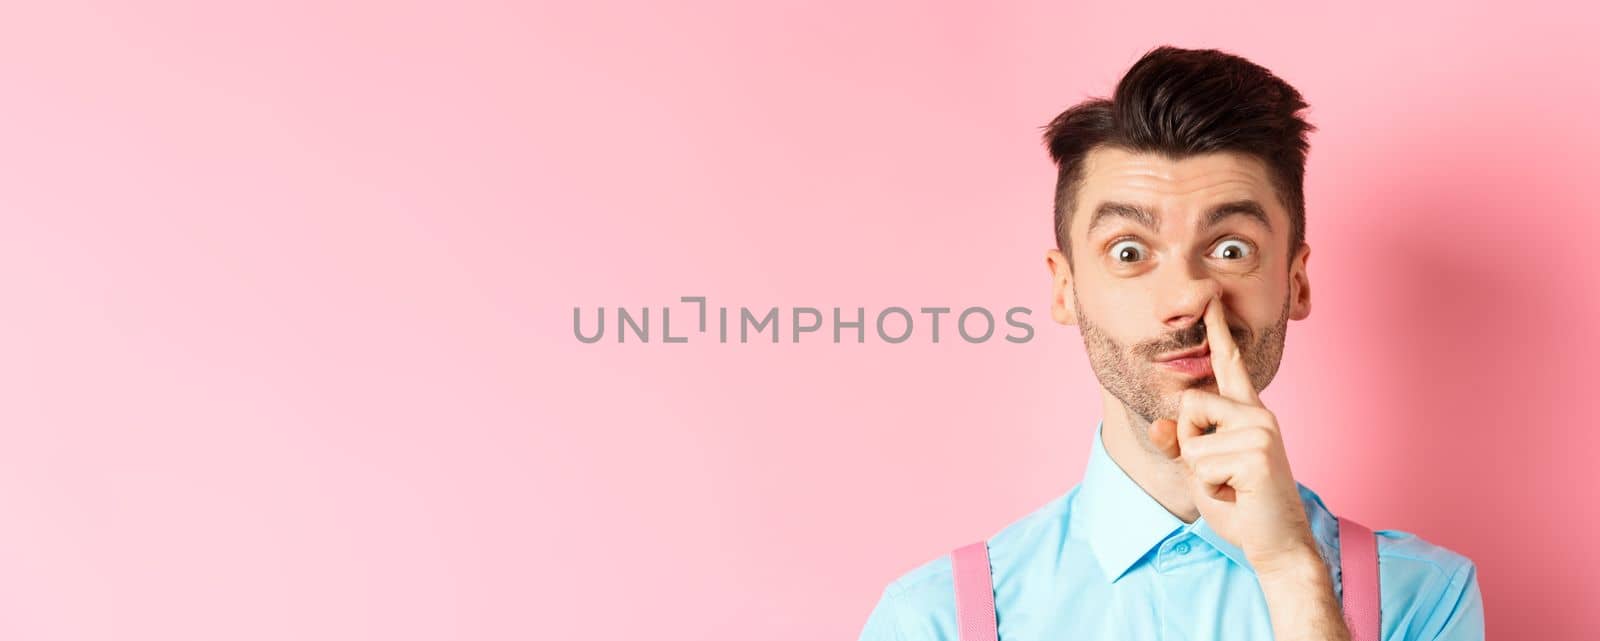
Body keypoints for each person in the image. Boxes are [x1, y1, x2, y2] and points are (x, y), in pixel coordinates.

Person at [855, 46, 1483, 641]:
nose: (1187, 297)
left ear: (1294, 282)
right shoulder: (933, 619)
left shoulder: (1425, 596)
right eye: (1128, 252)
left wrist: (1293, 570)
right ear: (1066, 289)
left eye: (1231, 249)